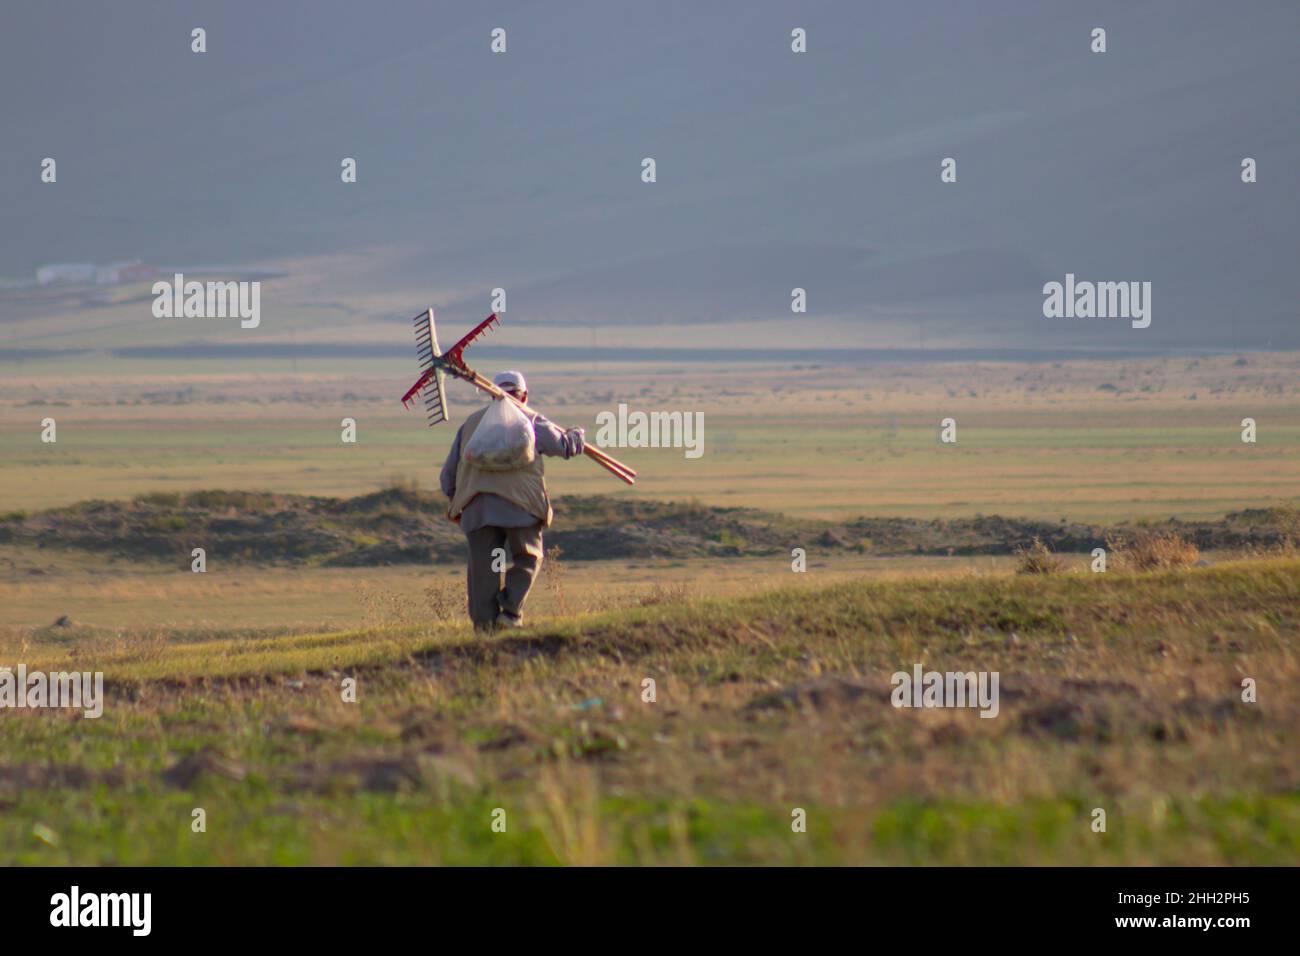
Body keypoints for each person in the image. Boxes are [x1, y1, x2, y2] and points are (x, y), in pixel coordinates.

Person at [440, 370, 585, 631]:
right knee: (528, 558)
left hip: (478, 511)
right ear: (524, 395)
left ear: (491, 395)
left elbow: (447, 477)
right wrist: (577, 437)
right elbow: (563, 446)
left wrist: (457, 502)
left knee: (484, 570)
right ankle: (510, 613)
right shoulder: (531, 420)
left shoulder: (471, 425)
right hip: (521, 509)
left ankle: (484, 629)